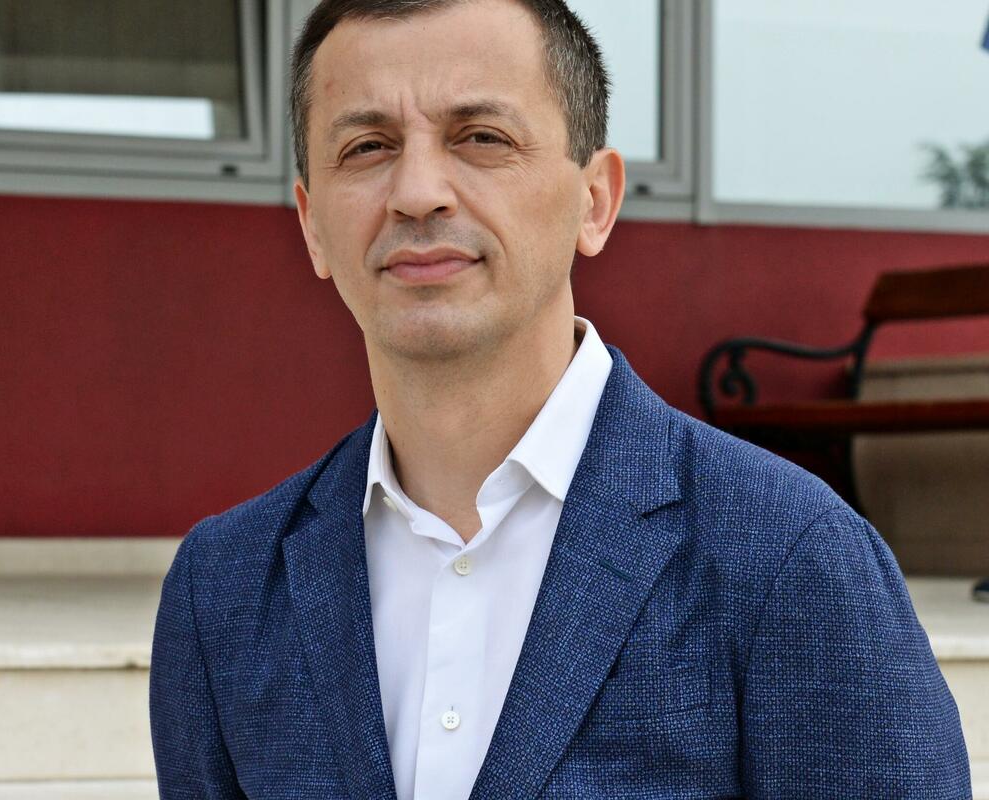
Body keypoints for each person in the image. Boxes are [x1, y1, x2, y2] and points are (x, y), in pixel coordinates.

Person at [150, 0, 971, 796]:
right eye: (367, 147)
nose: (417, 192)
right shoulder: (222, 589)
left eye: (481, 137)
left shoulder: (792, 556)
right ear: (311, 226)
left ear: (596, 201)